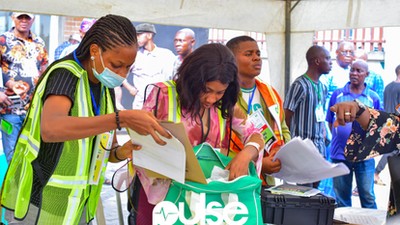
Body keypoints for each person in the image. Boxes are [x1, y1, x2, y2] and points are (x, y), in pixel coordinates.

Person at [0, 14, 171, 225]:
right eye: (117, 65)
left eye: (128, 67)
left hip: (77, 204)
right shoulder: (65, 74)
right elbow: (51, 129)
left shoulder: (104, 86)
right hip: (41, 200)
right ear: (94, 51)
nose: (122, 74)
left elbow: (105, 149)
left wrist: (121, 152)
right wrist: (121, 118)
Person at [128, 43, 265, 225]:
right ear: (192, 79)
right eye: (206, 90)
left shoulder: (226, 105)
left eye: (219, 92)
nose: (211, 99)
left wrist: (247, 153)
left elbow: (256, 134)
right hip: (160, 197)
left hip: (207, 200)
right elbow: (138, 141)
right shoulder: (162, 94)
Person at [226, 35, 291, 186]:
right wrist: (257, 160)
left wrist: (280, 151)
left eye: (258, 54)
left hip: (266, 180)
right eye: (249, 54)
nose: (257, 58)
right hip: (235, 176)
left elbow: (283, 129)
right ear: (232, 60)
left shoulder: (270, 92)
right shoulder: (223, 94)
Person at [326, 59, 381, 208]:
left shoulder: (373, 98)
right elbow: (330, 122)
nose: (354, 73)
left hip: (365, 156)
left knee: (368, 197)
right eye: (352, 70)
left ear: (367, 74)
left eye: (359, 71)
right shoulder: (337, 95)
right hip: (340, 156)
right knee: (342, 198)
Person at [0, 12, 48, 163]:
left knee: (33, 154)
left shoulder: (39, 42)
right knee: (13, 155)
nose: (24, 20)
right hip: (9, 109)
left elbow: (44, 70)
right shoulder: (3, 40)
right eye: (20, 17)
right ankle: (13, 187)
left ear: (33, 19)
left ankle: (28, 187)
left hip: (33, 108)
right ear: (13, 18)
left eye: (27, 17)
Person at [283, 45, 332, 187]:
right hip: (303, 148)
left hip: (319, 147)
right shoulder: (300, 85)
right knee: (304, 190)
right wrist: (288, 143)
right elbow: (286, 114)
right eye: (327, 59)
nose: (331, 62)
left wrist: (323, 134)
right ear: (316, 61)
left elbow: (320, 114)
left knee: (315, 190)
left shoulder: (323, 87)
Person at [122, 23, 176, 109]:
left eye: (139, 35)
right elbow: (120, 74)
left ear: (149, 35)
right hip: (141, 105)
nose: (136, 38)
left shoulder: (167, 55)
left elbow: (176, 75)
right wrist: (130, 88)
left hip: (162, 104)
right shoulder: (135, 56)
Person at [373, 63, 400, 186]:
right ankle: (376, 173)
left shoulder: (388, 87)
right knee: (393, 150)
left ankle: (376, 173)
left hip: (388, 121)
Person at [320, 41, 355, 108]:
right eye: (345, 52)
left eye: (351, 53)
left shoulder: (354, 71)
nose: (348, 55)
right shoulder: (329, 70)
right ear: (337, 52)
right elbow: (321, 97)